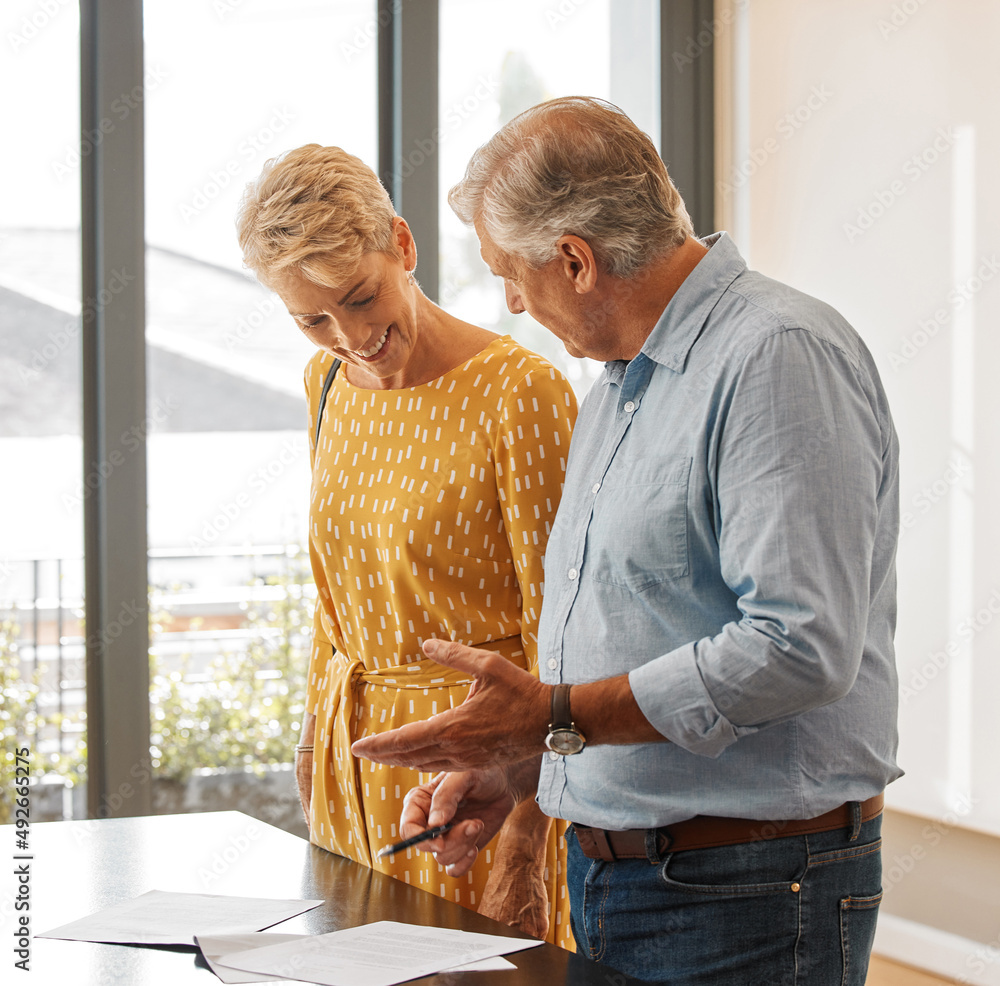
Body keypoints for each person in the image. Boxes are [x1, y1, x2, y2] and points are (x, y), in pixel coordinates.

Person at [352, 96, 902, 986]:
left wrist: (557, 716)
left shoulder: (778, 355)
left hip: (747, 891)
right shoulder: (619, 385)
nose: (511, 305)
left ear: (573, 260)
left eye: (510, 276)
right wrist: (529, 767)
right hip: (628, 878)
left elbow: (800, 646)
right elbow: (650, 624)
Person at [235, 143, 578, 947]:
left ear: (403, 245)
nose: (350, 335)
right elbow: (334, 595)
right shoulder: (324, 387)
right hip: (349, 763)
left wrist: (526, 842)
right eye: (312, 319)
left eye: (360, 298)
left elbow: (564, 639)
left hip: (473, 779)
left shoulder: (519, 392)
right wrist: (312, 739)